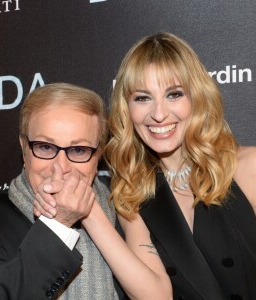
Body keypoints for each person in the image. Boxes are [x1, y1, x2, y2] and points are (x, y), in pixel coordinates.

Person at [102, 32, 256, 299]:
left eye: (174, 94)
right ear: (127, 109)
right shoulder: (133, 194)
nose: (159, 114)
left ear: (196, 98)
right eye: (142, 98)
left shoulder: (247, 167)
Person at [0, 83, 117, 300]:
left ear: (98, 155)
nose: (60, 167)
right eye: (45, 147)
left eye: (79, 150)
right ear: (24, 149)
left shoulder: (124, 210)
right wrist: (59, 225)